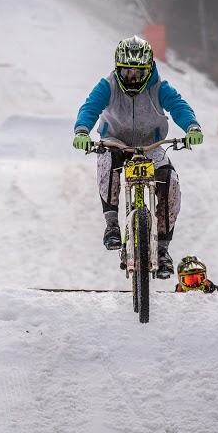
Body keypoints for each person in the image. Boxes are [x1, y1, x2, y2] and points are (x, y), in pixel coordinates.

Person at [72, 36, 203, 279]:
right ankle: (112, 225)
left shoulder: (159, 87)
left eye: (138, 72)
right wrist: (81, 130)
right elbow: (90, 107)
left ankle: (163, 250)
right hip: (115, 142)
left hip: (151, 145)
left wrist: (192, 126)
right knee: (107, 160)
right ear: (117, 68)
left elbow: (178, 106)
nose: (132, 78)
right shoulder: (108, 86)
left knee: (169, 180)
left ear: (149, 69)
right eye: (126, 72)